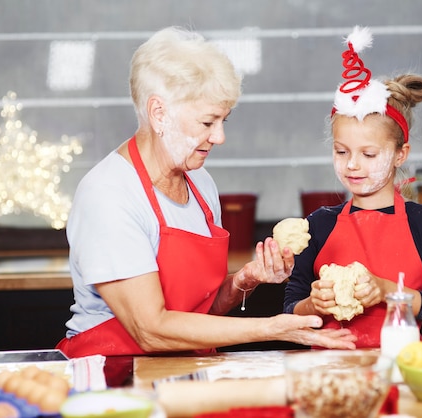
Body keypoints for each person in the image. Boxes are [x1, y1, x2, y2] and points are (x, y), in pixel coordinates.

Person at [56, 26, 357, 358]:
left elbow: (198, 316)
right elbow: (150, 330)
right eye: (207, 122)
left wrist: (245, 279)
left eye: (224, 120)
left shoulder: (200, 184)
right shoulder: (109, 195)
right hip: (113, 375)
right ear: (159, 113)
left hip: (185, 366)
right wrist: (271, 327)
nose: (220, 137)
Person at [283, 26, 422, 348]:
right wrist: (314, 304)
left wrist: (387, 291)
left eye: (368, 154)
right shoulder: (318, 224)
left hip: (403, 365)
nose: (352, 164)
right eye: (341, 152)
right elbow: (289, 307)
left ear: (400, 154)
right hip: (329, 372)